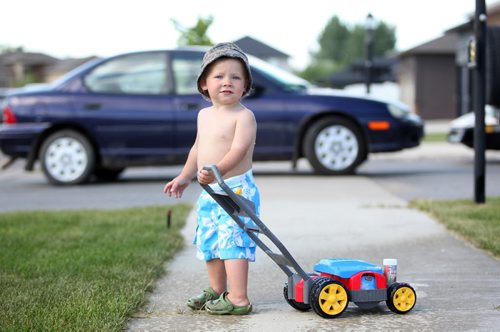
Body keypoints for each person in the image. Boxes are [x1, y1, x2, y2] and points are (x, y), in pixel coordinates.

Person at [163, 42, 260, 315]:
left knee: (233, 241)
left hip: (236, 190)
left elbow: (238, 149)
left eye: (235, 77)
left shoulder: (244, 116)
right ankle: (217, 290)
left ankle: (239, 298)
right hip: (210, 190)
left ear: (245, 86)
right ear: (204, 83)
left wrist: (218, 169)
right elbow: (198, 148)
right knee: (212, 241)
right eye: (219, 76)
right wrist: (185, 176)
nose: (227, 82)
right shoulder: (204, 115)